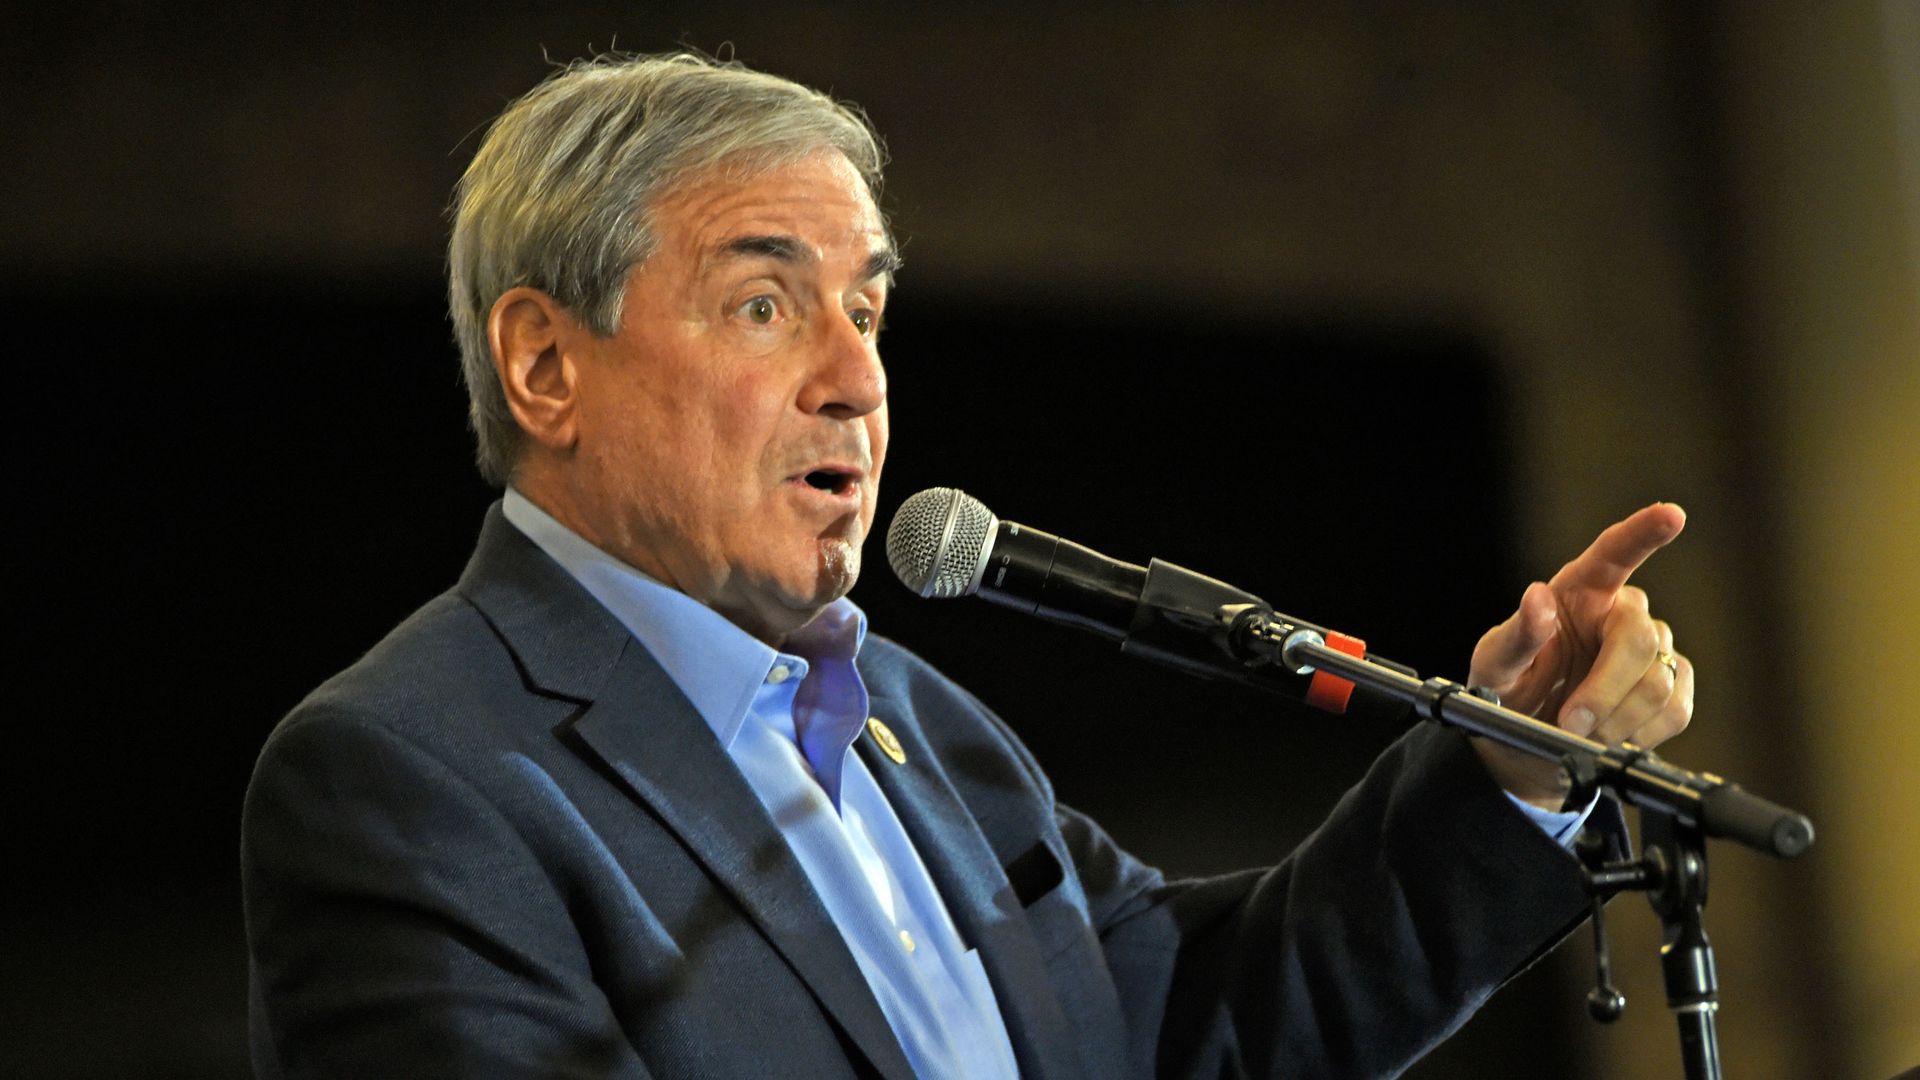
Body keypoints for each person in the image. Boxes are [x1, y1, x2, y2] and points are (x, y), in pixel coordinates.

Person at [241, 53, 1694, 1079]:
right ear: (546, 363)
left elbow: (1200, 1023)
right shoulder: (409, 777)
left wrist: (1517, 776)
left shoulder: (920, 726)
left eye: (867, 311)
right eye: (764, 304)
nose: (856, 380)